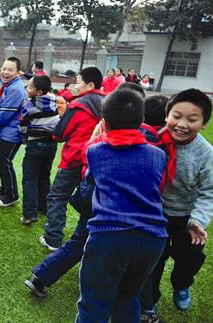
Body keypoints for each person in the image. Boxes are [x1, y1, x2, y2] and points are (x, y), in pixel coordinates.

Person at [75, 89, 168, 323]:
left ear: (104, 122)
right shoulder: (157, 155)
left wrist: (98, 135)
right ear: (141, 121)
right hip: (153, 239)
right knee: (127, 297)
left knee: (94, 303)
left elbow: (89, 178)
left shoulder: (96, 150)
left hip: (110, 236)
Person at [140, 89, 213, 320]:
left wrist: (197, 220)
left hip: (187, 218)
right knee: (151, 263)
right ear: (166, 115)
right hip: (156, 214)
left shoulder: (206, 153)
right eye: (176, 115)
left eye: (192, 119)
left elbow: (209, 192)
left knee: (189, 258)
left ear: (203, 123)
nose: (181, 124)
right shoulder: (153, 140)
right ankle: (148, 304)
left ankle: (181, 285)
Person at [40, 67, 105, 251]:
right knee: (92, 203)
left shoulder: (78, 104)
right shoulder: (109, 103)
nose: (76, 86)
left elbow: (59, 133)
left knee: (57, 197)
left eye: (78, 82)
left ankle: (53, 237)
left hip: (75, 159)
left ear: (90, 84)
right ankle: (87, 241)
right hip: (99, 161)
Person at [19, 75, 62, 224]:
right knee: (44, 177)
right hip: (51, 145)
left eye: (29, 87)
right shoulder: (55, 100)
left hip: (35, 145)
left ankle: (29, 214)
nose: (27, 88)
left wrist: (26, 136)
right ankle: (44, 207)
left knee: (29, 180)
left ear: (38, 92)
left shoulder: (28, 106)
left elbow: (23, 125)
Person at [0, 57, 26, 207]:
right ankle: (5, 189)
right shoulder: (9, 85)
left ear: (18, 72)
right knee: (1, 160)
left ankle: (12, 195)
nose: (5, 72)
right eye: (4, 68)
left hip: (13, 132)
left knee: (4, 160)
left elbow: (6, 113)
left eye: (10, 70)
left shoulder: (15, 89)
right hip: (8, 131)